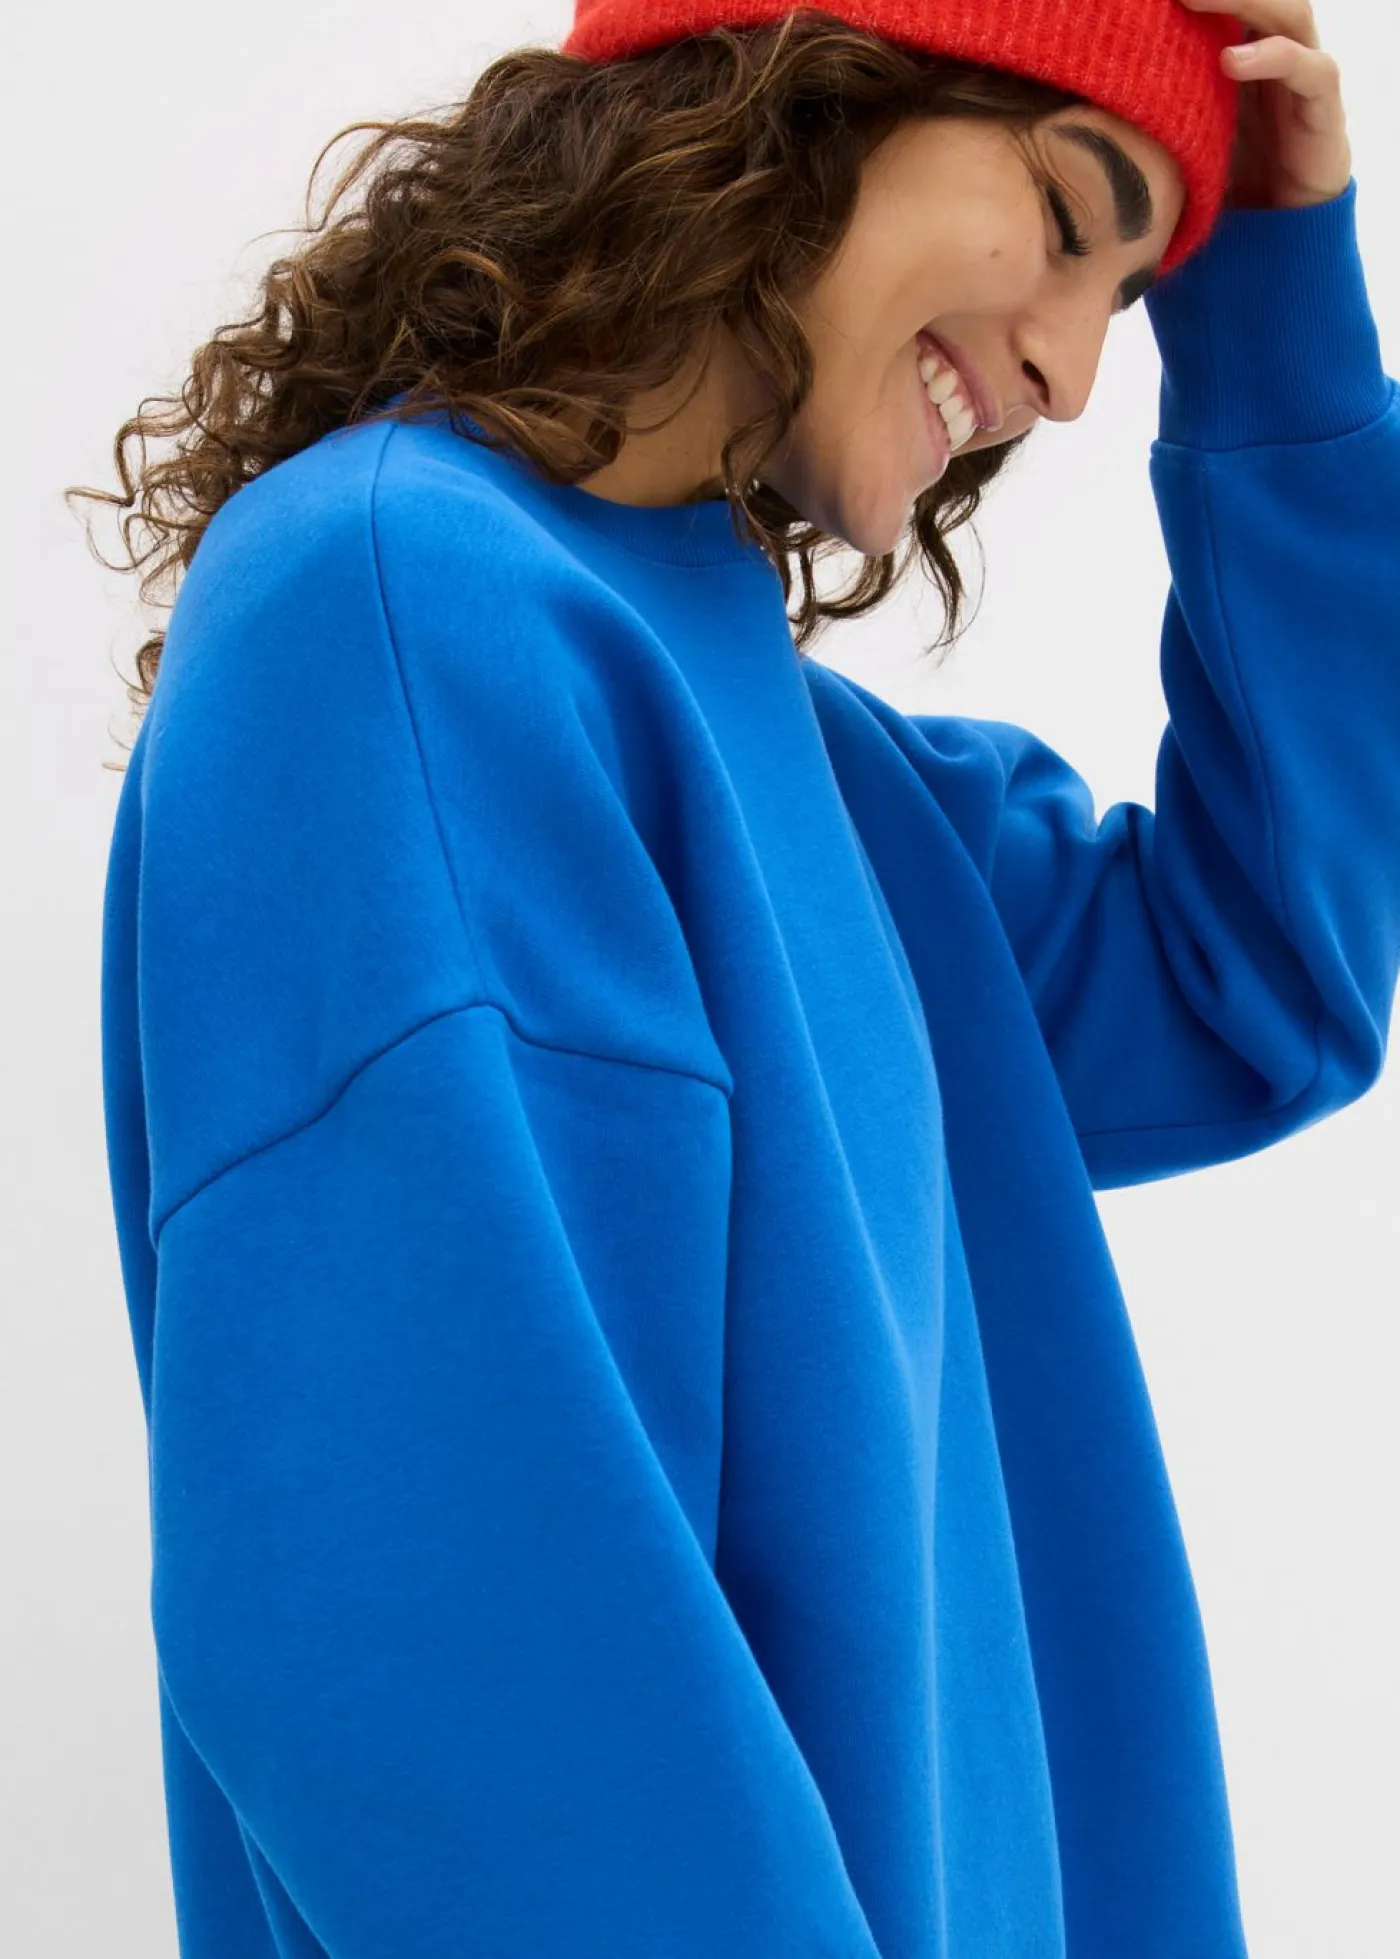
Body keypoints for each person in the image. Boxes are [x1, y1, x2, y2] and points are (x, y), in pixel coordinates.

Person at [79, 0, 1389, 1953]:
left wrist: (1275, 309)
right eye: (1065, 218)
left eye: (1130, 301)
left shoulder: (838, 790)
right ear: (805, 79)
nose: (1065, 374)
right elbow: (436, 1641)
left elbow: (1263, 977)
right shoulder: (388, 614)